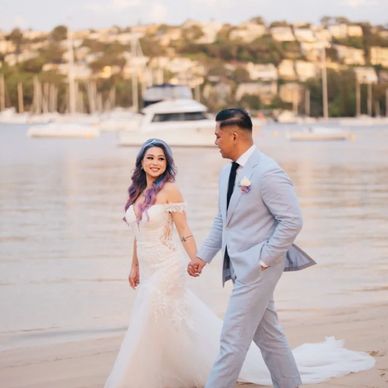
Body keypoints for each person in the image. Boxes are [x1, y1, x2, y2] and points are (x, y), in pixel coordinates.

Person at [105, 137, 374, 388]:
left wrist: (197, 259)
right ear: (141, 161)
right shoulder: (137, 191)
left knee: (152, 313)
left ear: (167, 164)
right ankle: (175, 367)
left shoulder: (170, 191)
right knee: (169, 321)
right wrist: (135, 265)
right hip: (148, 265)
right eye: (150, 157)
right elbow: (137, 233)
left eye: (161, 159)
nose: (155, 162)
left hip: (167, 266)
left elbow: (184, 231)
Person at [187, 108, 373, 388]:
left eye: (217, 136)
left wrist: (265, 259)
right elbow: (222, 220)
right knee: (269, 338)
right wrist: (203, 256)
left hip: (257, 269)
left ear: (234, 135)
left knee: (232, 340)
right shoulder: (227, 173)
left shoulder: (267, 171)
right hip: (238, 266)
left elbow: (292, 220)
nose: (215, 141)